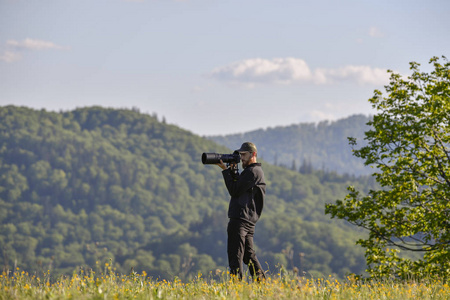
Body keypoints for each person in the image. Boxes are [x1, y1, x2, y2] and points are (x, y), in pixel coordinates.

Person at [216, 142, 266, 281]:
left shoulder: (252, 172)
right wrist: (232, 172)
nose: (241, 158)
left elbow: (234, 190)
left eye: (244, 155)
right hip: (249, 221)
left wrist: (225, 171)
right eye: (241, 154)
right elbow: (239, 187)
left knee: (235, 256)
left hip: (240, 220)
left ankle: (236, 288)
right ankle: (263, 285)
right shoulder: (255, 172)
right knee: (248, 256)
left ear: (253, 154)